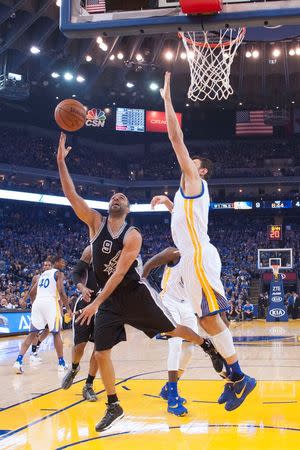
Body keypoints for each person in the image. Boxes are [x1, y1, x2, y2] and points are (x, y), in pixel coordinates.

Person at [57, 132, 224, 431]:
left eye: (122, 197)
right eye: (113, 196)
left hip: (133, 294)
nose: (117, 197)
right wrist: (60, 162)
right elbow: (71, 195)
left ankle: (206, 344)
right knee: (102, 351)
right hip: (108, 302)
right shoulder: (95, 223)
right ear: (108, 205)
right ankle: (113, 404)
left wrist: (95, 301)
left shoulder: (132, 234)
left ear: (128, 209)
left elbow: (120, 273)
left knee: (172, 329)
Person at [152, 71, 256, 412]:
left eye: (193, 161)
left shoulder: (195, 180)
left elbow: (175, 139)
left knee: (208, 322)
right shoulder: (187, 193)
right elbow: (185, 222)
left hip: (196, 257)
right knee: (206, 323)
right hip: (190, 259)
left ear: (202, 170)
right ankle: (235, 378)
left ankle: (240, 379)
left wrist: (167, 101)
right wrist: (170, 205)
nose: (188, 160)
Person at [143, 246, 223, 416]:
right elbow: (152, 261)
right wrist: (141, 277)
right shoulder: (175, 252)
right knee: (175, 345)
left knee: (189, 350)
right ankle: (172, 398)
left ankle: (167, 388)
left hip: (186, 305)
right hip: (169, 301)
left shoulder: (202, 263)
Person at [13, 256, 72, 374]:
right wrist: (68, 309)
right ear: (56, 263)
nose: (64, 264)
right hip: (50, 302)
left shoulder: (42, 275)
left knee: (31, 334)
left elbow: (32, 291)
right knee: (56, 334)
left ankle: (18, 361)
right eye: (62, 262)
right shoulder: (58, 273)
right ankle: (61, 363)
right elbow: (61, 292)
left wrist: (30, 301)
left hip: (38, 303)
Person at [61, 245, 99, 402]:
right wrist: (82, 287)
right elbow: (76, 273)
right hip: (86, 300)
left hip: (105, 304)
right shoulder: (91, 250)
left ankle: (88, 385)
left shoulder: (121, 250)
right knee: (79, 346)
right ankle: (75, 368)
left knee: (100, 349)